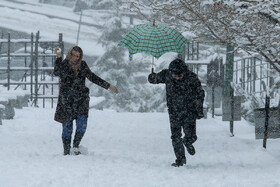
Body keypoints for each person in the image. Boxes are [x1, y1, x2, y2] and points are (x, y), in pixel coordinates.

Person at [54, 46, 118, 155]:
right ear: (69, 54)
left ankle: (75, 146)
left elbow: (92, 77)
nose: (75, 58)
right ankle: (66, 150)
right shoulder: (64, 64)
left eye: (77, 56)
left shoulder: (82, 65)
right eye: (73, 55)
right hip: (66, 101)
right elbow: (56, 72)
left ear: (80, 57)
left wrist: (109, 86)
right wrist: (59, 57)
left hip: (81, 100)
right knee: (67, 127)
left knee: (82, 125)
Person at [148, 58, 205, 167]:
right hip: (174, 111)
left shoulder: (192, 78)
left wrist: (199, 109)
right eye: (175, 75)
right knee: (175, 136)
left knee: (192, 135)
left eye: (179, 75)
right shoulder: (167, 74)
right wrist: (152, 77)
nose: (177, 78)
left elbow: (200, 94)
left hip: (189, 110)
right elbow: (155, 79)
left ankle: (188, 141)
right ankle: (180, 159)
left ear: (184, 72)